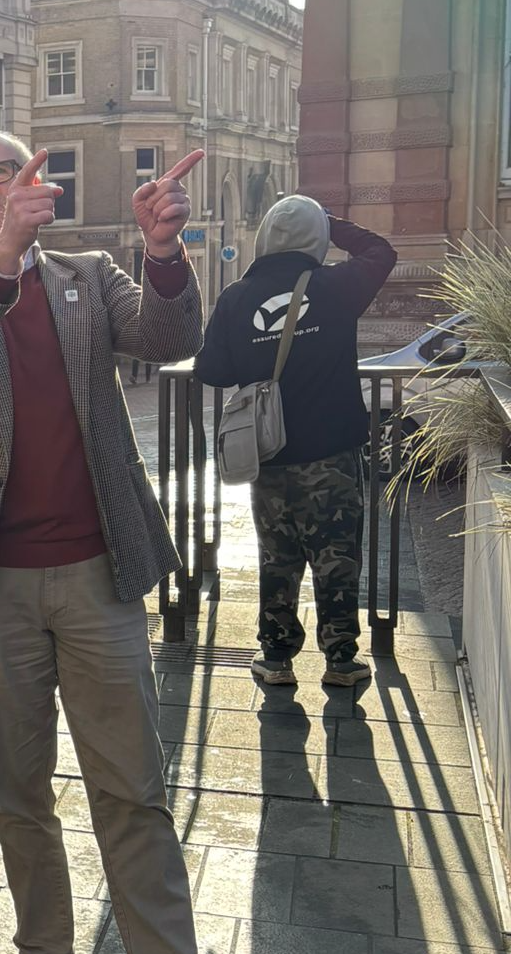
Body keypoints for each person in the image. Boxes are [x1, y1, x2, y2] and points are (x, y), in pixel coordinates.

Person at [0, 130, 286, 954]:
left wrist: (159, 252)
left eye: (6, 171)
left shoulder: (85, 277)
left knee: (133, 788)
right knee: (18, 790)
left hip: (98, 574)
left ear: (40, 184)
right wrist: (0, 259)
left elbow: (170, 337)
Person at [195, 196, 397, 688]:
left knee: (277, 558)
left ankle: (277, 658)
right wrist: (329, 223)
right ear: (316, 239)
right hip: (333, 457)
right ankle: (342, 661)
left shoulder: (237, 298)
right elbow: (381, 252)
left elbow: (211, 371)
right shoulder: (337, 286)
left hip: (268, 455)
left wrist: (255, 361)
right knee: (337, 557)